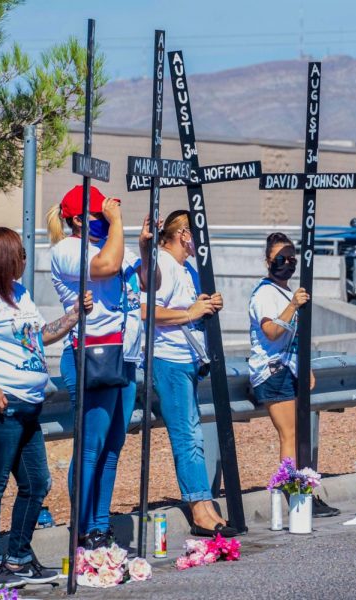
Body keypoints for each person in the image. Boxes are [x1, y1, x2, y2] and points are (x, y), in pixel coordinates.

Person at [0, 227, 91, 588]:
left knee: (37, 482)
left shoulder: (20, 294)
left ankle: (19, 557)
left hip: (27, 408)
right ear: (1, 257)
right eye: (19, 254)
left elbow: (38, 337)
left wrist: (73, 315)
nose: (25, 261)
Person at [47, 185, 155, 549]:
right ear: (78, 220)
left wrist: (142, 247)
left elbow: (146, 284)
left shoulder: (114, 245)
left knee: (112, 446)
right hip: (89, 355)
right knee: (91, 447)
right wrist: (119, 222)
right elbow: (106, 267)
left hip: (122, 356)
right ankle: (81, 528)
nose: (107, 218)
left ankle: (100, 524)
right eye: (99, 214)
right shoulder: (67, 250)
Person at [149, 210, 238, 536]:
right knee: (188, 438)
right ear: (183, 234)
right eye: (196, 232)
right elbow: (147, 310)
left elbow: (181, 308)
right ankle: (201, 510)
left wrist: (202, 305)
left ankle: (206, 506)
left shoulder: (183, 268)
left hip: (186, 361)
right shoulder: (163, 264)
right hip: (169, 361)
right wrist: (191, 312)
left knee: (194, 436)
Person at [247, 232, 340, 516]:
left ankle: (304, 488)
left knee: (301, 434)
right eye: (280, 259)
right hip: (273, 372)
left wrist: (305, 366)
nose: (286, 264)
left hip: (291, 368)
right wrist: (293, 306)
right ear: (267, 261)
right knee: (290, 435)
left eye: (291, 259)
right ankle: (295, 492)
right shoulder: (265, 293)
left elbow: (296, 337)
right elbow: (272, 331)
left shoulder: (287, 292)